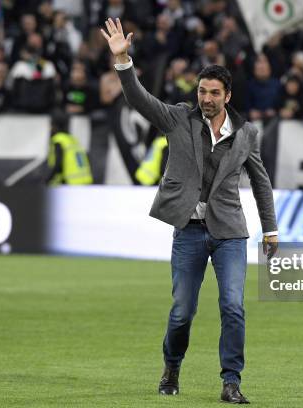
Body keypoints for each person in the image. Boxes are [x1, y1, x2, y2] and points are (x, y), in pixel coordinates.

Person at [101, 17, 278, 405]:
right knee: (183, 311)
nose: (207, 98)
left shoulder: (247, 134)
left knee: (233, 306)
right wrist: (123, 63)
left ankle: (231, 381)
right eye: (202, 91)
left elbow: (261, 183)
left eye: (214, 93)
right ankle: (172, 366)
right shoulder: (178, 118)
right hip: (189, 230)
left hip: (230, 231)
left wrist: (271, 230)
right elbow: (139, 100)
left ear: (227, 96)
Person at [46, 112, 93, 185]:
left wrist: (47, 180)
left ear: (54, 125)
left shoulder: (59, 140)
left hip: (71, 184)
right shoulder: (73, 140)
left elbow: (58, 165)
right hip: (85, 182)